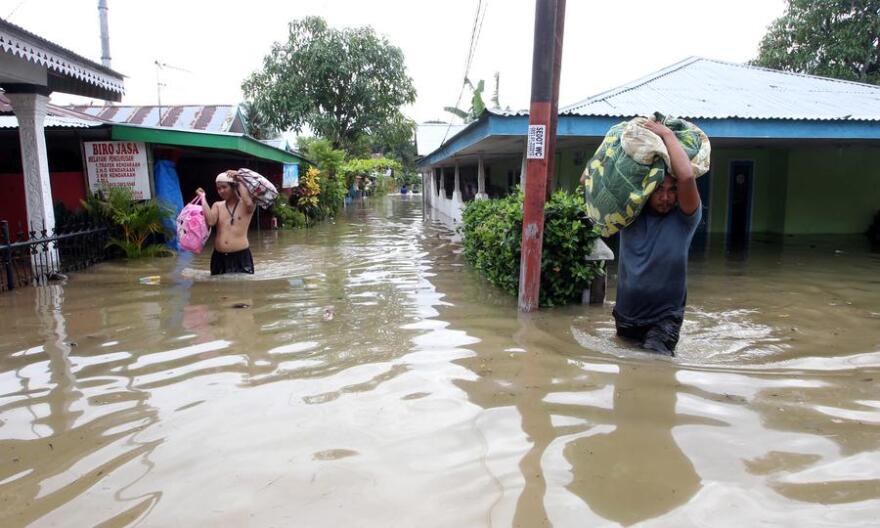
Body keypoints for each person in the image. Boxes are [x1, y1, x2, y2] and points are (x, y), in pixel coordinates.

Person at [613, 119, 702, 356]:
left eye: (671, 190)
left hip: (665, 318)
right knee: (627, 381)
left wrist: (666, 135)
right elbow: (588, 180)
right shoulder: (628, 214)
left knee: (654, 368)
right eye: (658, 189)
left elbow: (686, 178)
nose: (665, 197)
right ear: (646, 189)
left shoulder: (685, 219)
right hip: (625, 315)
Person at [197, 170, 256, 275]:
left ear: (234, 187)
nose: (221, 191)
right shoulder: (217, 205)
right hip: (218, 257)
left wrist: (239, 180)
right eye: (218, 188)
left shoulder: (246, 205)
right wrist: (203, 198)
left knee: (242, 288)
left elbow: (248, 202)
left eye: (224, 187)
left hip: (241, 256)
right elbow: (210, 221)